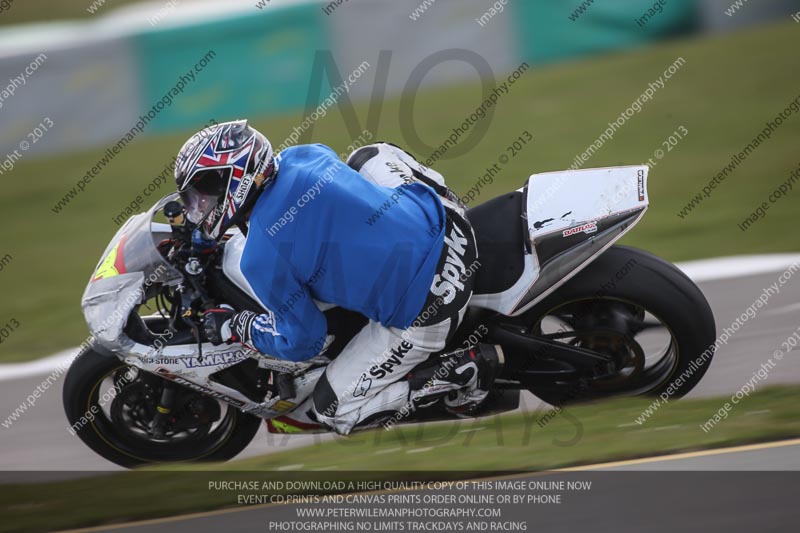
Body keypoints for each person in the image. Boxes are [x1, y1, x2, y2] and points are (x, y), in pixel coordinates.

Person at [174, 119, 502, 435]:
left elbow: (304, 341)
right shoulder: (302, 154)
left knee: (334, 410)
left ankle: (460, 372)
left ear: (235, 179)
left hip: (431, 308)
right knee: (369, 155)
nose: (199, 206)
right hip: (448, 223)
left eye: (204, 192)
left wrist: (236, 326)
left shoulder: (260, 260)